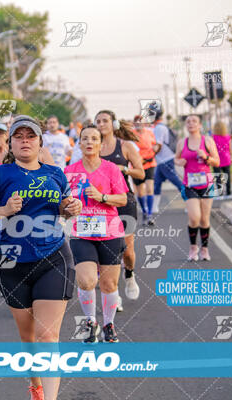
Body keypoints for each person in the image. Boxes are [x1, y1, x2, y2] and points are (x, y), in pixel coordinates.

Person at [0, 115, 82, 400]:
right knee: (29, 338)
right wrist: (4, 210)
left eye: (30, 136)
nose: (24, 141)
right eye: (18, 137)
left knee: (47, 337)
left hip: (53, 257)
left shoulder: (55, 173)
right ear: (11, 143)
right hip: (12, 262)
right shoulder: (0, 174)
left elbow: (64, 208)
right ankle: (35, 384)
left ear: (39, 142)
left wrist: (71, 208)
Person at [64, 125, 129, 343]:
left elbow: (123, 199)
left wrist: (102, 197)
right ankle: (91, 322)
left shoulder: (111, 169)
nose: (89, 142)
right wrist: (66, 209)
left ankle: (109, 324)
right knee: (86, 280)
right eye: (85, 139)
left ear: (101, 144)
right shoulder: (70, 171)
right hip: (81, 233)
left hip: (110, 232)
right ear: (79, 144)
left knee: (109, 285)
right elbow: (62, 204)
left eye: (94, 138)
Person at [96, 110, 145, 302]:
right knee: (106, 249)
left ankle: (130, 274)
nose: (101, 124)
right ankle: (112, 293)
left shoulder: (125, 146)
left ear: (113, 124)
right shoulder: (94, 147)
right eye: (98, 121)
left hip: (124, 200)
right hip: (101, 203)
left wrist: (124, 169)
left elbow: (141, 173)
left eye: (105, 121)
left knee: (126, 250)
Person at [174, 115, 220, 261]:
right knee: (194, 218)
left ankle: (204, 249)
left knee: (205, 220)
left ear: (200, 125)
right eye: (188, 122)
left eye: (194, 121)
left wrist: (206, 157)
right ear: (185, 126)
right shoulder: (182, 142)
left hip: (206, 185)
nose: (191, 124)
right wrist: (179, 162)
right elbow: (176, 158)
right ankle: (193, 247)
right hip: (189, 185)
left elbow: (217, 162)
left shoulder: (207, 141)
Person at [151, 108, 184, 215]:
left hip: (165, 160)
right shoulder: (161, 127)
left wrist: (150, 155)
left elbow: (158, 145)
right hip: (162, 160)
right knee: (157, 183)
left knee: (177, 182)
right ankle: (154, 207)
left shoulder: (159, 128)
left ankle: (190, 202)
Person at [132, 115, 159, 225]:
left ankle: (149, 215)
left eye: (141, 122)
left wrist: (155, 149)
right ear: (134, 124)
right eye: (137, 122)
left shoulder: (150, 133)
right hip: (137, 165)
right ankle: (144, 211)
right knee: (140, 192)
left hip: (150, 163)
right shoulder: (131, 134)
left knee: (150, 189)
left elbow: (155, 145)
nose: (139, 124)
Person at [211, 121, 232, 198]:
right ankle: (229, 193)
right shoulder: (228, 137)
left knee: (217, 177)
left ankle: (219, 194)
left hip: (216, 159)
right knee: (228, 176)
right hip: (226, 158)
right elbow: (230, 148)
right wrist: (231, 157)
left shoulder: (212, 137)